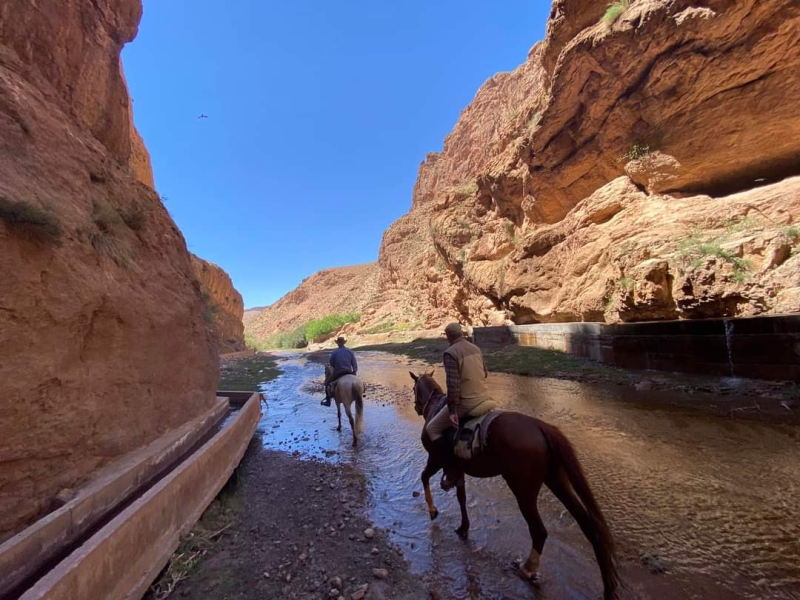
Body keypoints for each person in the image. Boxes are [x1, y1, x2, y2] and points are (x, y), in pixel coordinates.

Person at [425, 322, 492, 488]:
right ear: (461, 333)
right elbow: (485, 373)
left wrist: (453, 411)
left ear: (448, 336)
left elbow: (453, 386)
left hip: (466, 403)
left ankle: (451, 469)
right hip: (484, 398)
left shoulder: (450, 353)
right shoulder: (475, 348)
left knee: (432, 428)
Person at [321, 336, 359, 406]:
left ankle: (328, 401)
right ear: (344, 343)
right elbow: (354, 362)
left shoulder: (334, 353)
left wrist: (336, 366)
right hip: (349, 372)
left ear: (337, 343)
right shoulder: (350, 352)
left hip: (338, 372)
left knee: (327, 383)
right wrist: (354, 371)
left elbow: (332, 363)